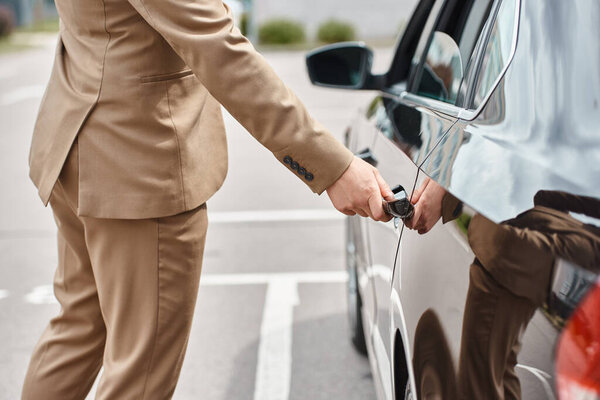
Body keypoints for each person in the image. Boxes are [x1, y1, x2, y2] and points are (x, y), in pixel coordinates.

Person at [21, 1, 394, 399]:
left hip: (81, 144)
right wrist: (332, 166)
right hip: (138, 168)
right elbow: (218, 48)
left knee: (78, 328)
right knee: (140, 374)